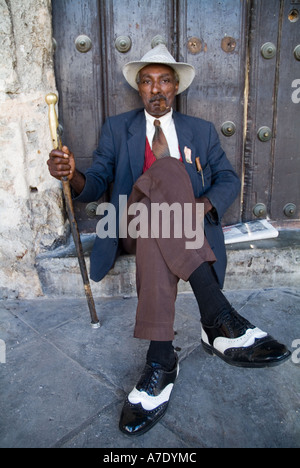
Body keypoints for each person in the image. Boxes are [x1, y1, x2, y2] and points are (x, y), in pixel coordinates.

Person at [47, 45, 291, 436]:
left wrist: (202, 206)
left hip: (177, 229)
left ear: (175, 87)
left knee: (160, 225)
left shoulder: (200, 131)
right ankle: (217, 316)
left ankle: (160, 360)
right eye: (147, 81)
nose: (155, 88)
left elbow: (227, 178)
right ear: (139, 89)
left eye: (163, 80)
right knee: (167, 170)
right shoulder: (116, 128)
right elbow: (94, 185)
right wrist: (73, 174)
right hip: (128, 223)